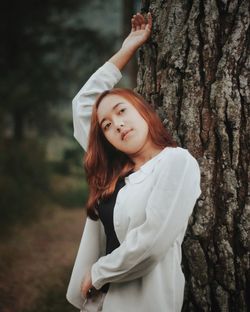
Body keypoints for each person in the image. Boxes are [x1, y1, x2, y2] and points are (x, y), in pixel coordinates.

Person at [66, 12, 201, 312]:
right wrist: (128, 47)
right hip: (103, 304)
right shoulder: (116, 169)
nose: (117, 125)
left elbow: (151, 243)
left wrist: (98, 273)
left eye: (122, 111)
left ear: (142, 110)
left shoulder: (176, 163)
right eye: (107, 125)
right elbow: (83, 105)